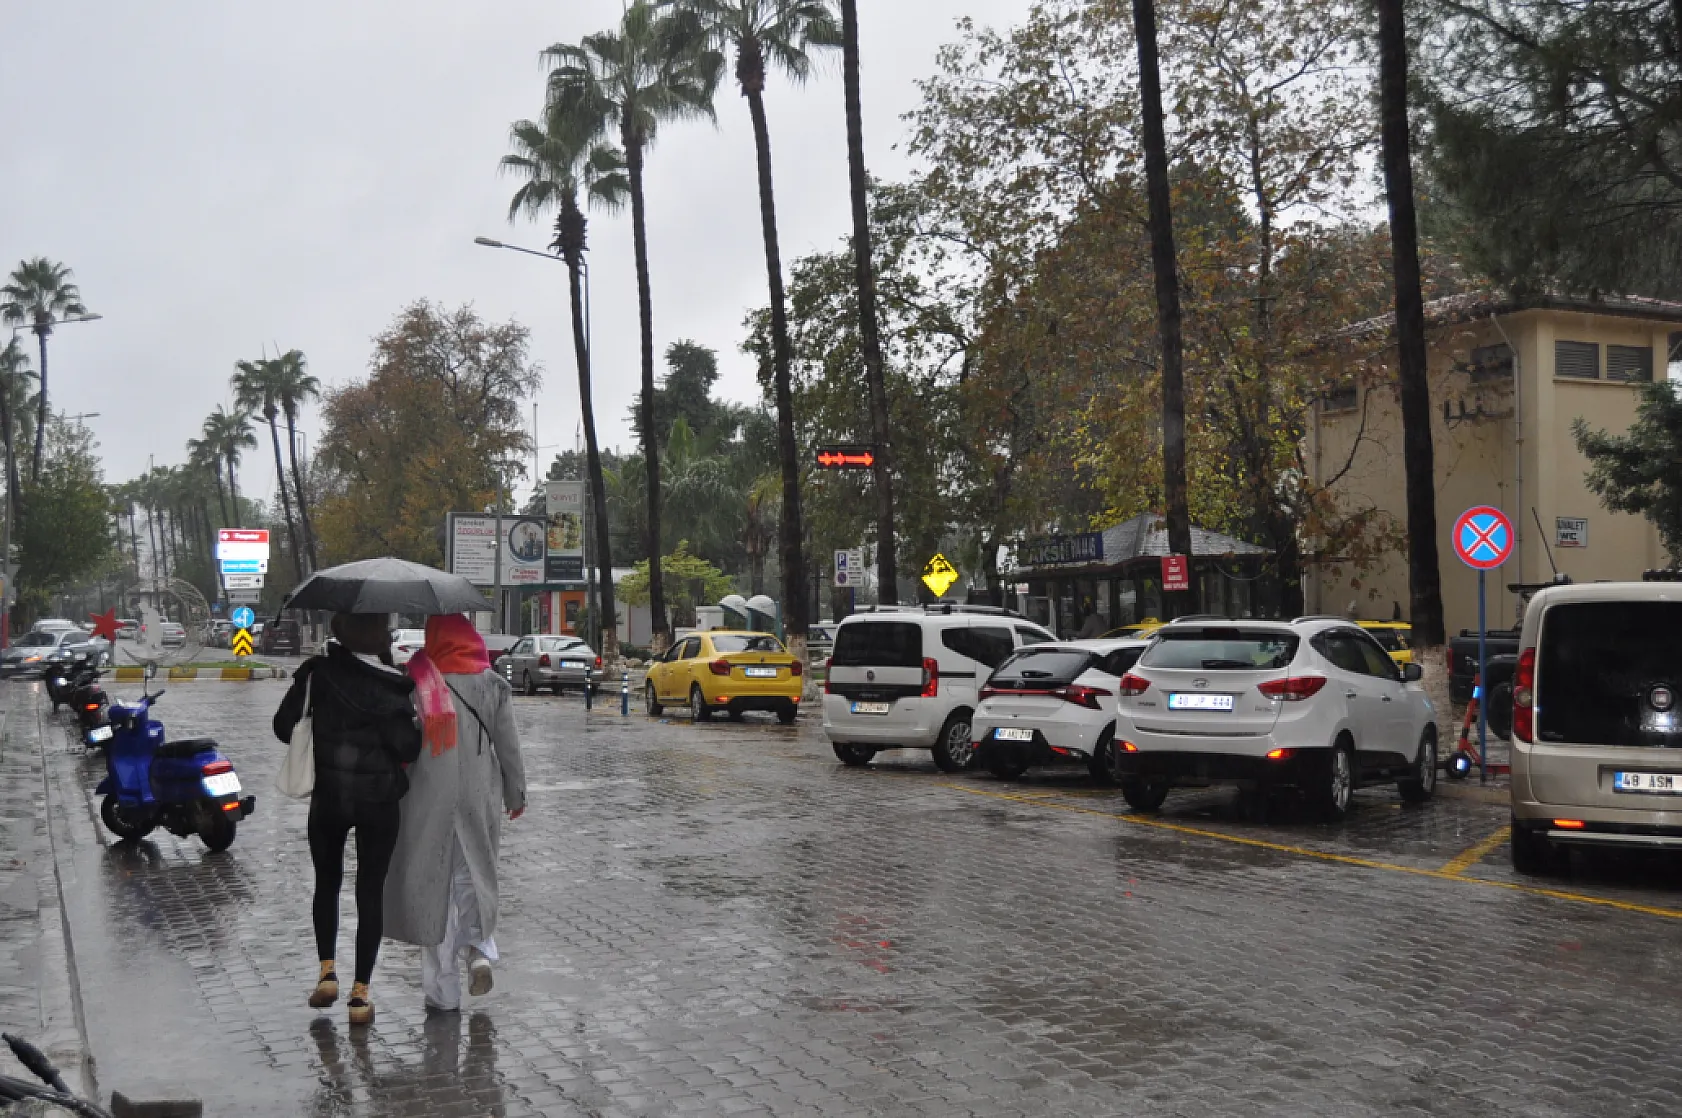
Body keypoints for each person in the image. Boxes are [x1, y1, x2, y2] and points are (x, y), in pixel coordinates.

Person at [273, 613, 422, 1027]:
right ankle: (360, 996)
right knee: (369, 891)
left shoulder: (317, 674)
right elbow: (408, 745)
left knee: (327, 883)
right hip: (378, 802)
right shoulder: (393, 685)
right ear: (378, 636)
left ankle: (326, 972)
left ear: (338, 632)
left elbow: (283, 728)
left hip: (329, 800)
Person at [383, 614, 527, 1013]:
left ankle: (442, 993)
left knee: (436, 892)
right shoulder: (491, 683)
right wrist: (516, 794)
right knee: (474, 876)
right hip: (477, 798)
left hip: (429, 799)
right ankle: (480, 947)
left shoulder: (417, 679)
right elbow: (508, 746)